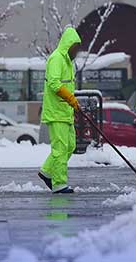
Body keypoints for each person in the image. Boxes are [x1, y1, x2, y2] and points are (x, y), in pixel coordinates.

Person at [38, 27, 81, 194]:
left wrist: (72, 103)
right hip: (56, 113)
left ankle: (47, 172)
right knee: (60, 149)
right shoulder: (56, 59)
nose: (77, 52)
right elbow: (54, 84)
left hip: (65, 112)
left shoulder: (68, 62)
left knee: (70, 146)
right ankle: (59, 184)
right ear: (67, 45)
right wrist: (71, 99)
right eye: (75, 48)